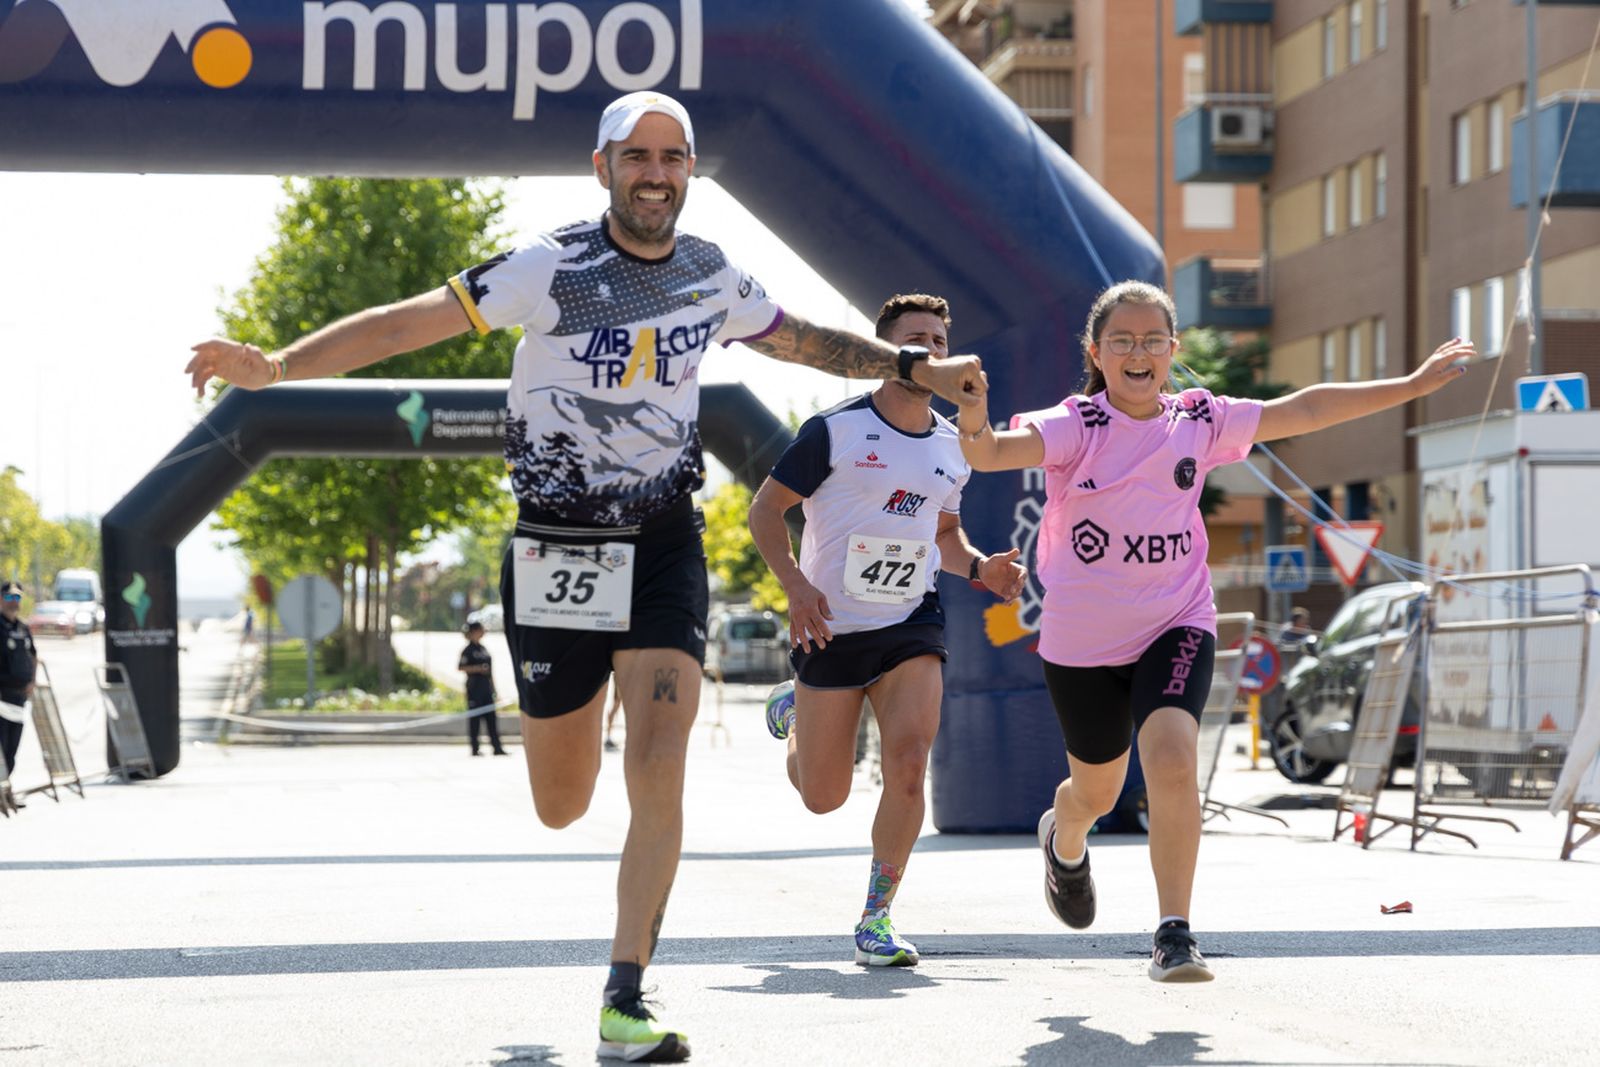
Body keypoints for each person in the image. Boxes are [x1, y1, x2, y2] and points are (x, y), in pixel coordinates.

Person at [184, 91, 985, 1063]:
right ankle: (567, 714)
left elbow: (805, 339)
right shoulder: (547, 266)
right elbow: (406, 325)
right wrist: (276, 364)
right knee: (561, 797)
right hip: (557, 544)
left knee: (659, 757)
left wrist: (906, 360)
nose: (656, 173)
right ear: (600, 166)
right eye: (638, 155)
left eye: (674, 156)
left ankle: (625, 993)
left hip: (661, 538)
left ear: (690, 170)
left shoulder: (709, 275)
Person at [956, 279, 1472, 982]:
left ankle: (1174, 932)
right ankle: (1064, 836)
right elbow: (990, 454)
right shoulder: (1077, 424)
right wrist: (974, 420)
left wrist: (1410, 386)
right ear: (1096, 352)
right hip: (1083, 640)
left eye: (1152, 339)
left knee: (1171, 756)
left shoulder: (1200, 417)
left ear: (1174, 350)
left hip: (1177, 618)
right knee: (1097, 794)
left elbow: (1308, 407)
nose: (1138, 352)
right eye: (1122, 340)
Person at [748, 293, 1026, 967]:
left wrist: (982, 566)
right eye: (915, 338)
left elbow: (943, 534)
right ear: (885, 351)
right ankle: (796, 710)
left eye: (938, 338)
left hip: (910, 622)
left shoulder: (951, 447)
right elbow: (766, 510)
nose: (930, 350)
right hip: (830, 625)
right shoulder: (833, 432)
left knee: (907, 765)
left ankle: (877, 917)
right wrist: (795, 584)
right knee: (823, 795)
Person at [0, 580, 37, 810]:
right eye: (9, 598)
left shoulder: (23, 628)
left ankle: (5, 791)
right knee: (1, 750)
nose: (14, 603)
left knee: (11, 750)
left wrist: (32, 681)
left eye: (17, 598)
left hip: (19, 699)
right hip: (1, 698)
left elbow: (33, 655)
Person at [460, 620, 506, 756]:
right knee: (475, 719)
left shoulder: (483, 649)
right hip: (474, 688)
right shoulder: (468, 650)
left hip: (486, 688)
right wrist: (477, 668)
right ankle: (475, 748)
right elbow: (461, 667)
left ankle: (497, 747)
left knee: (491, 718)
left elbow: (490, 671)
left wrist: (494, 689)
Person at [603, 679, 623, 752]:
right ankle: (608, 737)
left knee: (616, 704)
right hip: (620, 677)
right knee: (616, 705)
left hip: (619, 677)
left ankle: (608, 736)